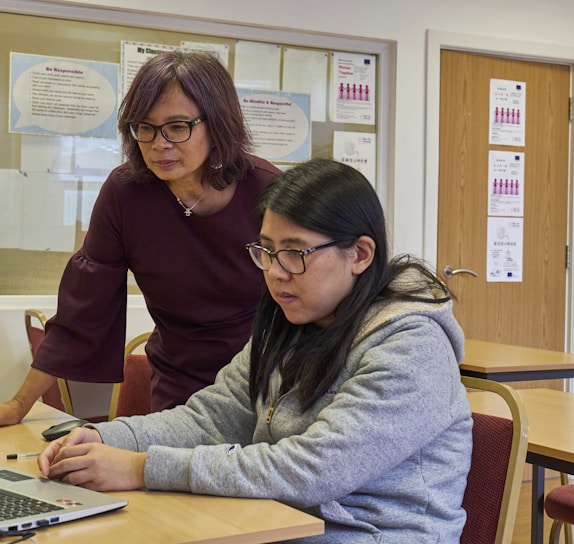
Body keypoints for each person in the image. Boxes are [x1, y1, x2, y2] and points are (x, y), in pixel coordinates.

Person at [39, 158, 473, 543]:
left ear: (359, 254)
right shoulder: (290, 323)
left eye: (296, 253)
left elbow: (312, 469)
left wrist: (139, 468)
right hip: (272, 523)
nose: (276, 273)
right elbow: (211, 417)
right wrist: (100, 439)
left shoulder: (412, 345)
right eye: (266, 251)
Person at [0, 50, 280, 426]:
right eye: (144, 127)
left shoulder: (270, 191)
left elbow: (313, 300)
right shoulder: (126, 192)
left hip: (267, 379)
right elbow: (84, 307)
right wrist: (18, 406)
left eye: (177, 127)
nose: (159, 143)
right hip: (181, 382)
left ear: (218, 123)